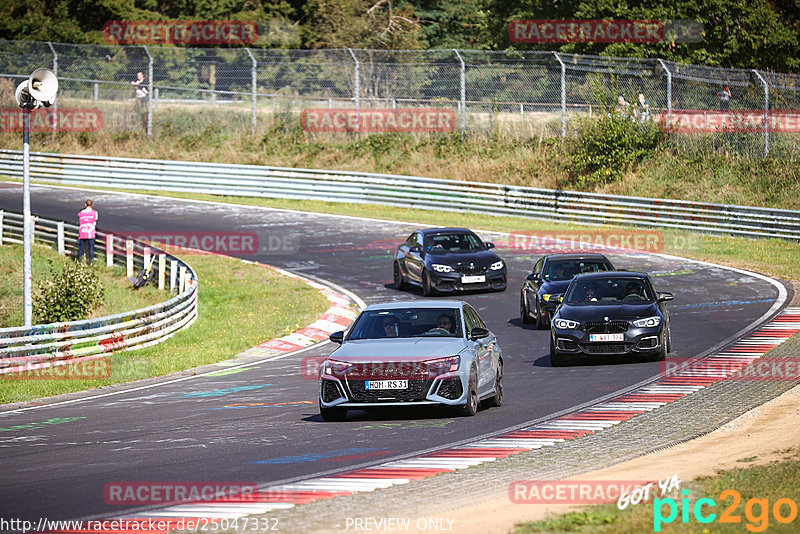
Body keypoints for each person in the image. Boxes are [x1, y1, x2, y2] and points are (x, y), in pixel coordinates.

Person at [77, 199, 98, 264]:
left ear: (85, 204)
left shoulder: (81, 213)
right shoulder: (94, 212)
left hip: (82, 232)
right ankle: (91, 262)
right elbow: (95, 219)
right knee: (91, 249)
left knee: (81, 248)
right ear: (92, 205)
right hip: (90, 233)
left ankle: (80, 262)